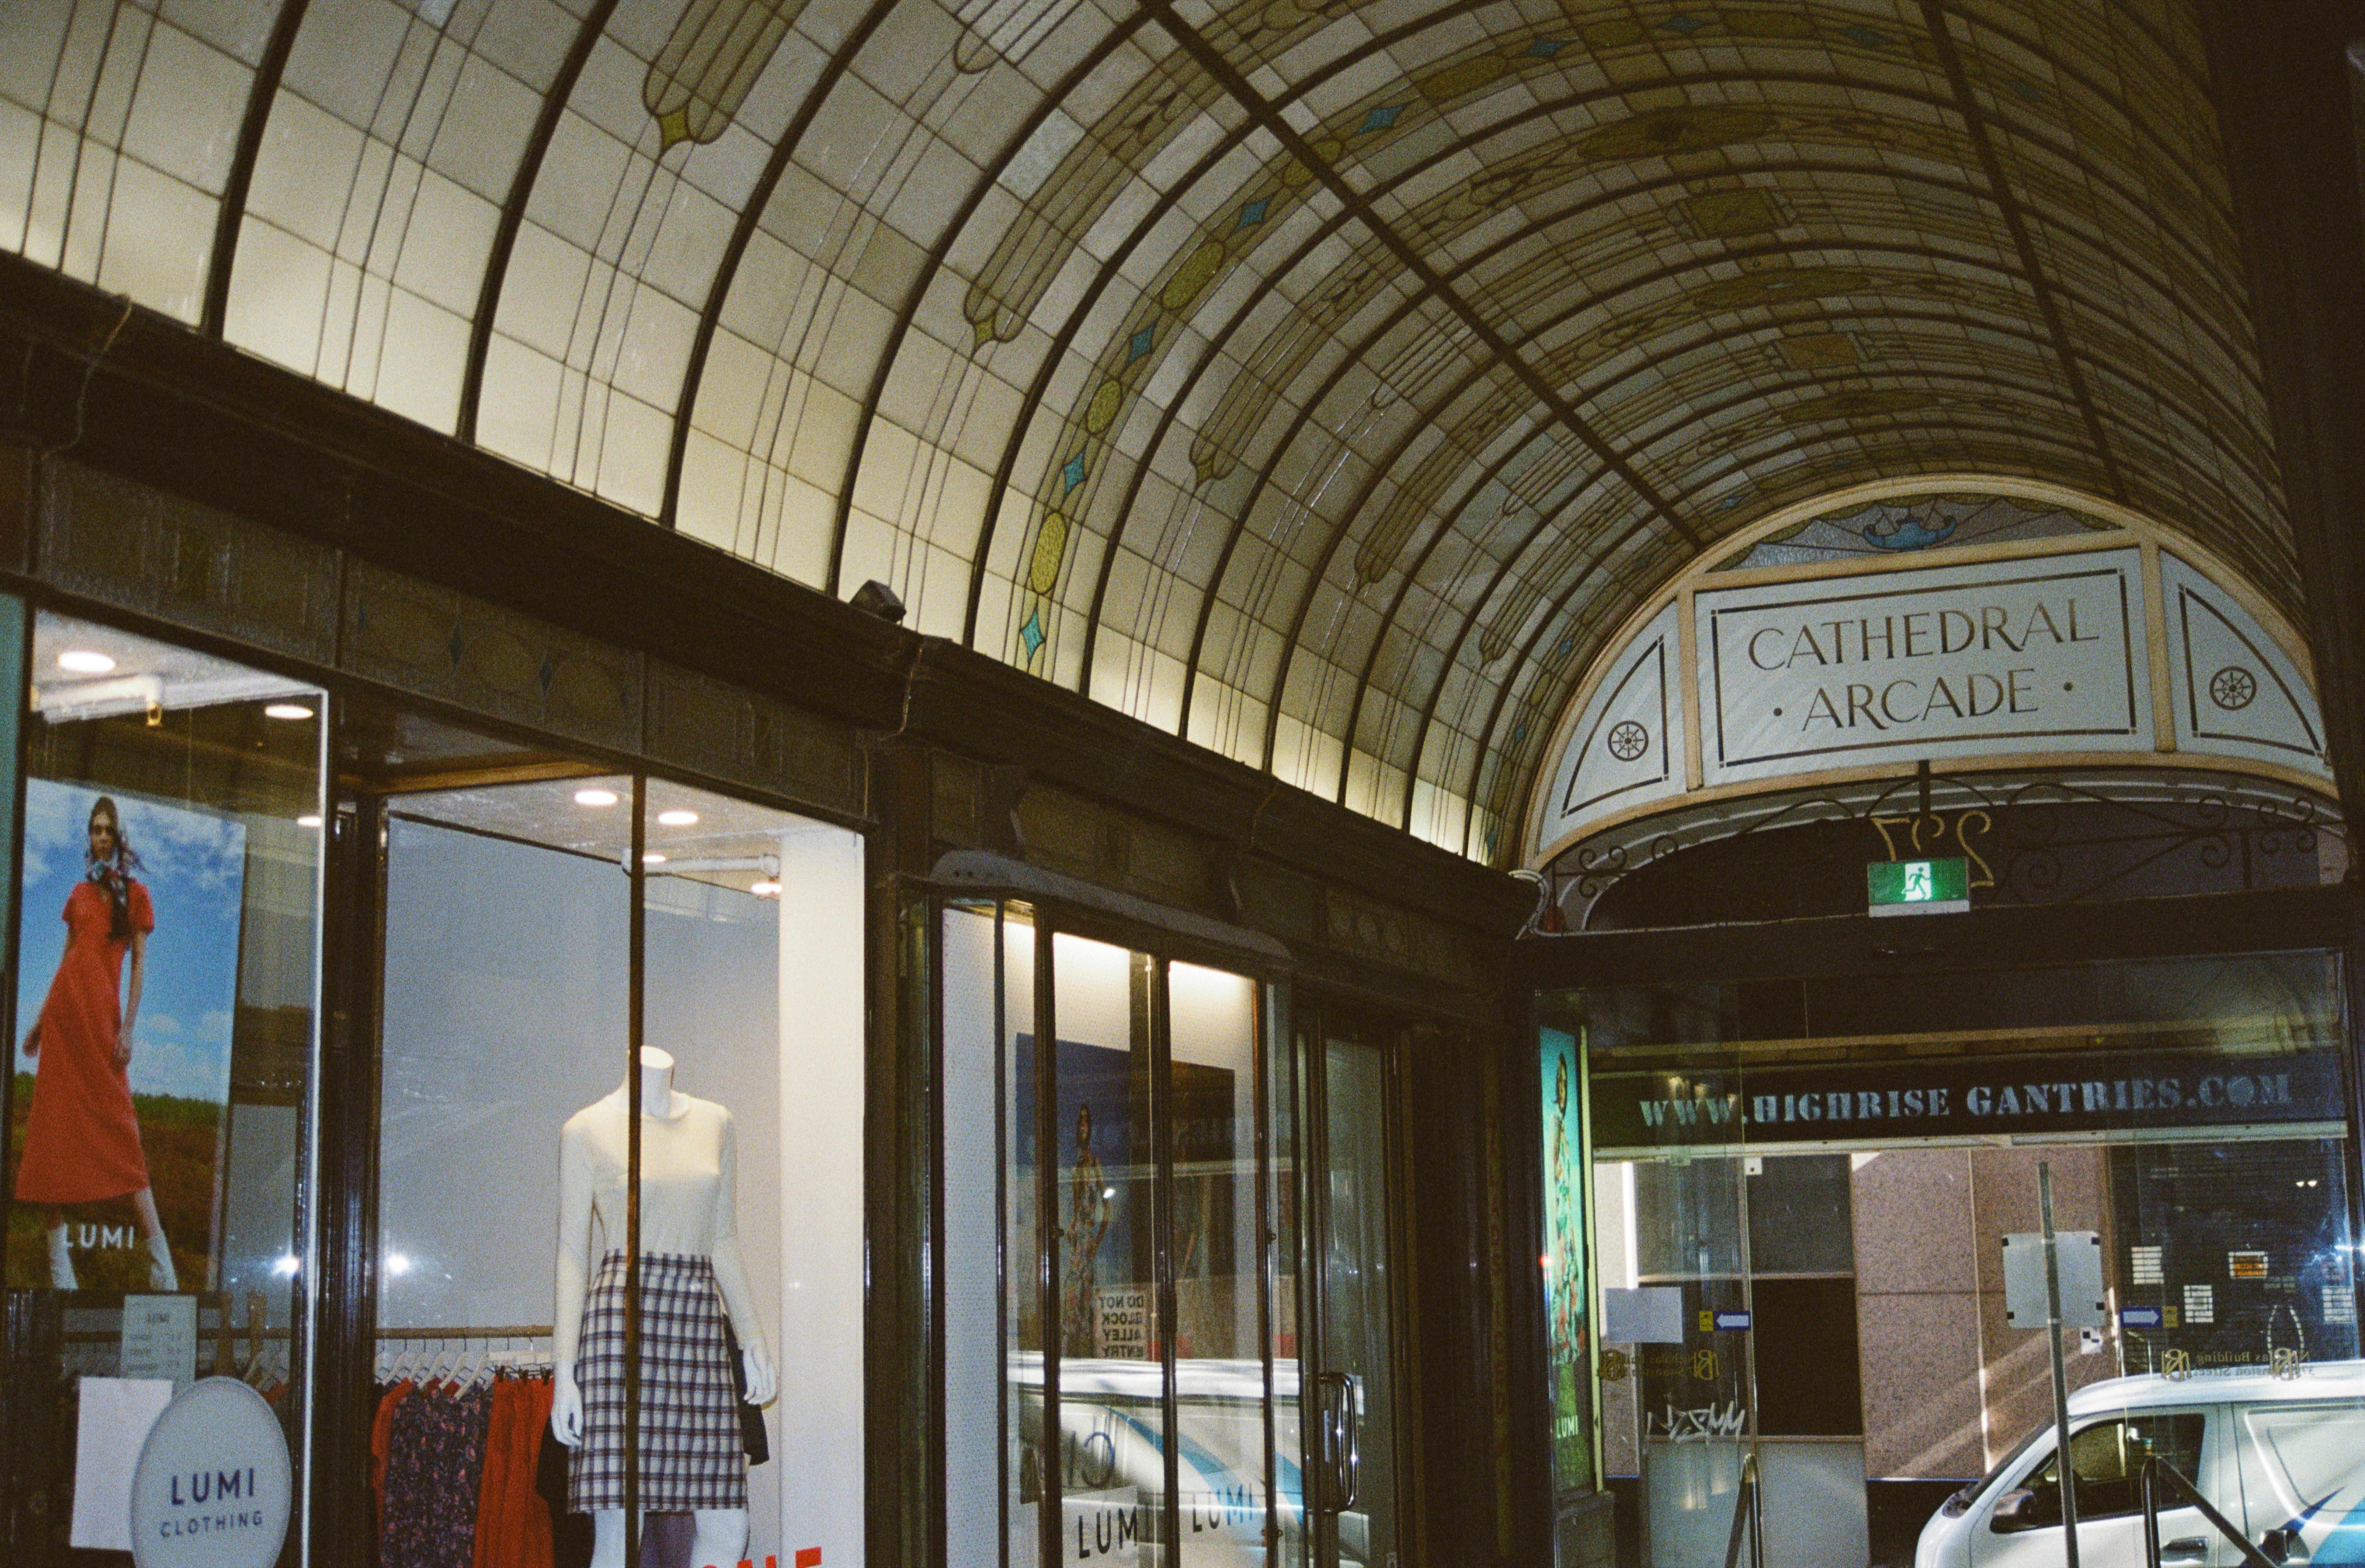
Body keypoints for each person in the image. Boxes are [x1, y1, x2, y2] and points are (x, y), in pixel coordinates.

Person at [552, 1047, 775, 1568]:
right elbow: (570, 1254)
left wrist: (753, 1339)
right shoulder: (585, 1129)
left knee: (728, 1526)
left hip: (697, 1321)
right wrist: (566, 1369)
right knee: (618, 1529)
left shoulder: (716, 1123)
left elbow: (722, 1238)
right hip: (620, 1324)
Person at [14, 794, 175, 1290]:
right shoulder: (78, 896)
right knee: (50, 1138)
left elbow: (138, 969)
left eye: (107, 830)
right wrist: (41, 1021)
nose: (100, 837)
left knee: (123, 1137)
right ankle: (61, 1271)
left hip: (102, 1026)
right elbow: (67, 962)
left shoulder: (136, 895)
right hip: (64, 1024)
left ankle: (162, 1265)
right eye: (94, 830)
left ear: (119, 837)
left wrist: (128, 1028)